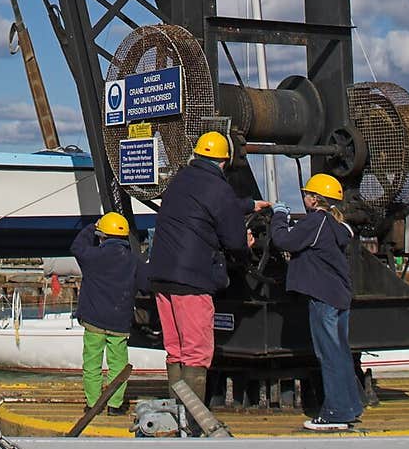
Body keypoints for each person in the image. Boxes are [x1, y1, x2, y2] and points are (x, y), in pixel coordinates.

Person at [145, 131, 269, 412]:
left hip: (162, 279)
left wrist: (248, 205)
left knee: (175, 350)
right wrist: (246, 245)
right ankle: (194, 419)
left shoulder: (179, 181)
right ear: (224, 162)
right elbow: (234, 242)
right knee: (197, 353)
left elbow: (203, 206)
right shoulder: (219, 188)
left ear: (199, 155)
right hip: (193, 281)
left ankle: (177, 414)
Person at [269, 173, 363, 432]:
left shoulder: (317, 222)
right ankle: (350, 406)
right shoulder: (336, 226)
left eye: (307, 194)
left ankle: (335, 413)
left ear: (314, 199)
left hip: (323, 297)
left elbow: (283, 240)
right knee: (341, 353)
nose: (305, 198)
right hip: (339, 295)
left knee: (328, 353)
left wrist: (279, 215)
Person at [71, 211, 150, 416]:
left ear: (101, 236)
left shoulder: (93, 257)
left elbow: (77, 247)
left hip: (93, 321)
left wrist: (91, 227)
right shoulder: (133, 261)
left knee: (92, 363)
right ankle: (115, 405)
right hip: (119, 323)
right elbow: (147, 285)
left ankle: (93, 405)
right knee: (118, 365)